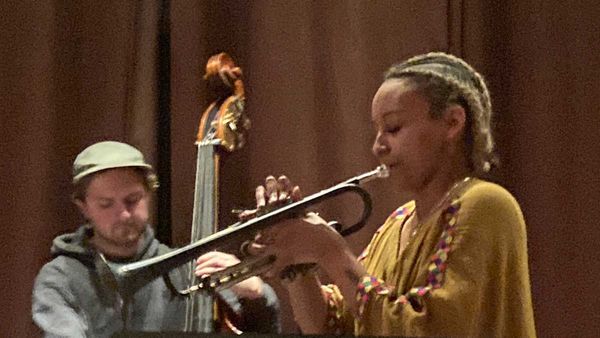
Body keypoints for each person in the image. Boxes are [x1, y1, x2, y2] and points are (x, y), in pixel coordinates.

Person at [250, 52, 536, 337]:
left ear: (452, 122)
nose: (377, 146)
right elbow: (330, 326)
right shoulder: (397, 223)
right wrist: (297, 266)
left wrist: (330, 250)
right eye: (377, 131)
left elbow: (427, 329)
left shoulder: (487, 203)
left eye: (393, 127)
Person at [32, 141, 280, 337]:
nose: (124, 214)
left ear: (149, 195)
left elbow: (261, 327)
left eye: (132, 200)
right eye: (106, 204)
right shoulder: (60, 277)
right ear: (83, 207)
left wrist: (256, 294)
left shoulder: (186, 269)